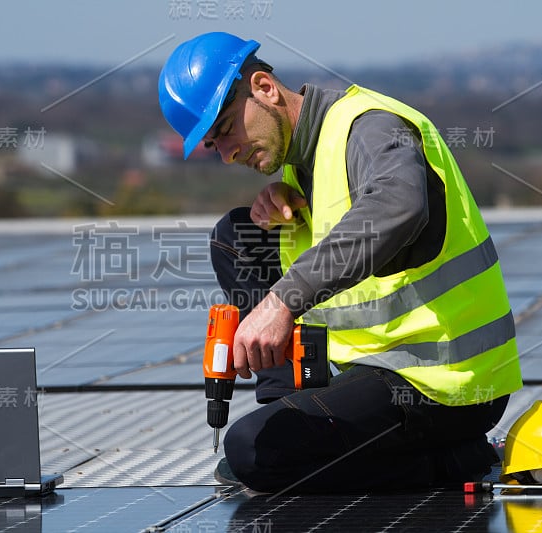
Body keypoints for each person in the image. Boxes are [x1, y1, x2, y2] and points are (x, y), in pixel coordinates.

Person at [158, 32, 523, 493]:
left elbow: (399, 207)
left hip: (444, 387)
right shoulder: (300, 162)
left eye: (226, 127)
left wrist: (282, 301)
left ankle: (455, 459)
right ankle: (287, 403)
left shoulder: (369, 126)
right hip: (376, 371)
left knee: (254, 451)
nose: (228, 154)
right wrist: (287, 210)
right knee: (237, 235)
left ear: (265, 88)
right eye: (215, 145)